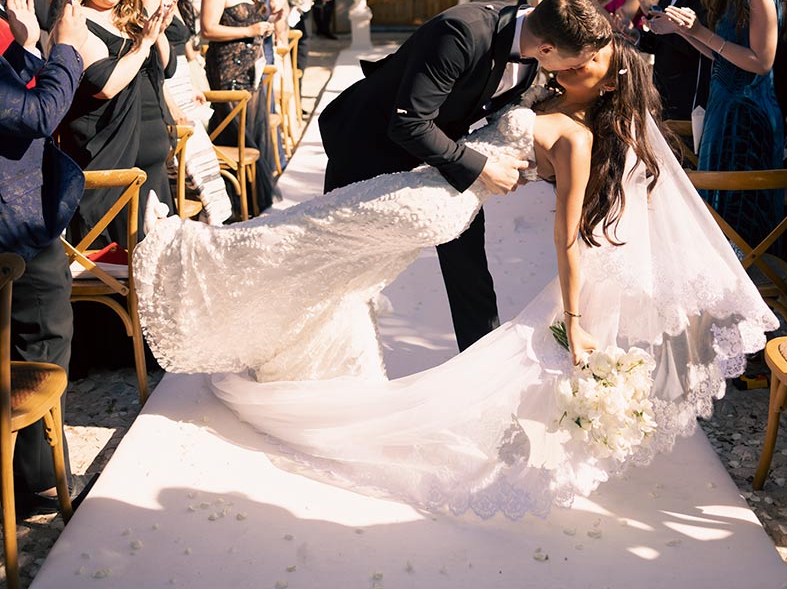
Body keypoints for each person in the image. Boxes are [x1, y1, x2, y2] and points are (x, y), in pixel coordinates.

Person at [133, 38, 776, 521]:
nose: (576, 63)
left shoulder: (579, 140)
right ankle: (308, 359)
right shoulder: (548, 95)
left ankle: (188, 254)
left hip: (435, 202)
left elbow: (568, 238)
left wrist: (577, 324)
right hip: (427, 186)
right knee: (324, 255)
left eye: (592, 64)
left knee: (305, 232)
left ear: (609, 86)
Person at [319, 0, 612, 351]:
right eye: (576, 63)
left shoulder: (534, 47)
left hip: (446, 153)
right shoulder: (461, 32)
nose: (576, 70)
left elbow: (496, 104)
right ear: (548, 49)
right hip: (367, 146)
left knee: (468, 265)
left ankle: (480, 360)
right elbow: (408, 123)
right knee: (339, 262)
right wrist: (484, 167)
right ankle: (325, 350)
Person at [0, 0, 87, 513]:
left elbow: (17, 93)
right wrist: (67, 50)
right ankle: (35, 481)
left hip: (21, 212)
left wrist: (29, 45)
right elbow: (36, 114)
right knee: (43, 341)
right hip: (16, 225)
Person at [653, 0, 786, 248]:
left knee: (741, 221)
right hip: (723, 113)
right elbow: (724, 57)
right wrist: (683, 31)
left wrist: (700, 31)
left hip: (748, 119)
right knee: (719, 218)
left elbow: (761, 62)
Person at [58, 0, 176, 246]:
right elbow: (106, 86)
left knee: (158, 251)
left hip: (151, 152)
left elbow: (167, 69)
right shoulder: (77, 19)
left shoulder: (127, 15)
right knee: (121, 256)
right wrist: (144, 44)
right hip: (109, 150)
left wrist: (159, 33)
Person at [140, 0, 233, 225]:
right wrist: (171, 105)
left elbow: (180, 50)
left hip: (182, 85)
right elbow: (151, 58)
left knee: (204, 172)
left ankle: (209, 230)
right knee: (196, 171)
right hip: (166, 89)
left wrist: (192, 86)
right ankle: (206, 230)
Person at [201, 0, 278, 213]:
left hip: (250, 71)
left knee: (252, 133)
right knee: (236, 133)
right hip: (228, 72)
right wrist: (249, 30)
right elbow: (207, 29)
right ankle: (234, 204)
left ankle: (251, 202)